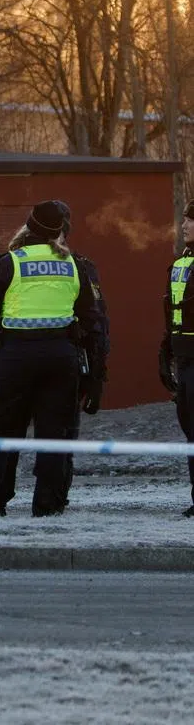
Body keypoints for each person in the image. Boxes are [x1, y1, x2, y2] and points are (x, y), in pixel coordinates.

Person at [0, 199, 108, 517]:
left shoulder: (10, 263)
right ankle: (49, 505)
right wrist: (94, 373)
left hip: (14, 356)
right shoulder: (74, 265)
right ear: (60, 231)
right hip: (61, 358)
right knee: (56, 435)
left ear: (29, 228)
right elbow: (92, 320)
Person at [157, 200, 194, 516]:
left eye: (190, 221)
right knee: (190, 429)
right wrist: (167, 347)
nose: (183, 226)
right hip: (184, 358)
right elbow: (174, 313)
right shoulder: (181, 263)